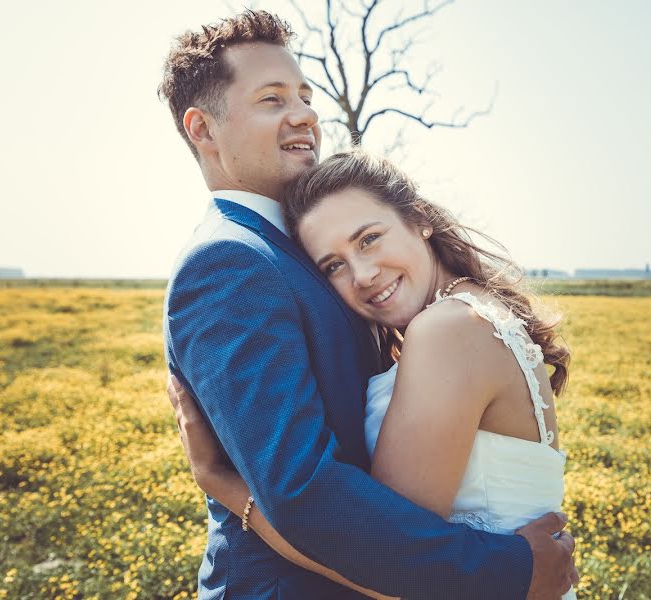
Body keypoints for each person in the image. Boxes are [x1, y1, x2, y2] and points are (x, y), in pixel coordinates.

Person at [160, 9, 576, 599]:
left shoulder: (299, 251)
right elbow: (303, 491)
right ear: (203, 128)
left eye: (305, 95)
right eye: (272, 99)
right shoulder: (228, 263)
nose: (303, 113)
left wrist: (220, 477)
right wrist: (507, 572)